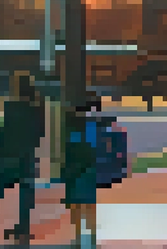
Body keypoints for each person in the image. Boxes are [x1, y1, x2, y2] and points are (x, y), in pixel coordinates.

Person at [0, 72, 46, 241]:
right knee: (26, 195)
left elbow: (5, 134)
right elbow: (40, 133)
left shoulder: (11, 107)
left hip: (10, 155)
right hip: (27, 155)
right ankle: (23, 228)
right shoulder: (37, 108)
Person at [64, 94, 105, 247]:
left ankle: (78, 237)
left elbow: (68, 147)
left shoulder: (72, 125)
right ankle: (92, 236)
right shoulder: (94, 125)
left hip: (75, 167)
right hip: (88, 168)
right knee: (89, 203)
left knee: (76, 204)